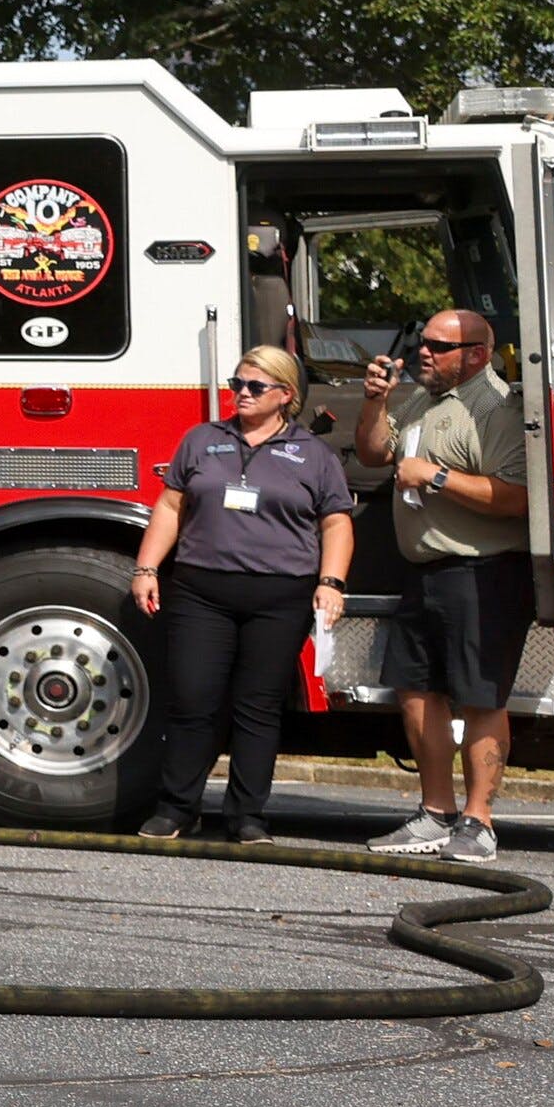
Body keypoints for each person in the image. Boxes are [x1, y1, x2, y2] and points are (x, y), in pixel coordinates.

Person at [129, 342, 355, 844]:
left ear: (285, 395)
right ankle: (177, 808)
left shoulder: (313, 454)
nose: (242, 394)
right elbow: (170, 506)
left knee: (257, 707)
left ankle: (247, 815)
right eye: (237, 385)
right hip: (201, 591)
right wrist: (146, 567)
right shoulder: (202, 440)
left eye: (255, 386)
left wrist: (330, 583)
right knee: (193, 699)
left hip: (281, 597)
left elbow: (336, 523)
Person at [361, 307, 527, 863]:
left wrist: (434, 475)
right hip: (423, 570)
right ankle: (435, 813)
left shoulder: (497, 409)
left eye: (438, 345)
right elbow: (373, 452)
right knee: (415, 692)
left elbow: (517, 498)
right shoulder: (420, 399)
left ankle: (479, 824)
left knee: (481, 697)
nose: (423, 352)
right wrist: (374, 401)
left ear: (477, 354)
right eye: (420, 341)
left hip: (481, 572)